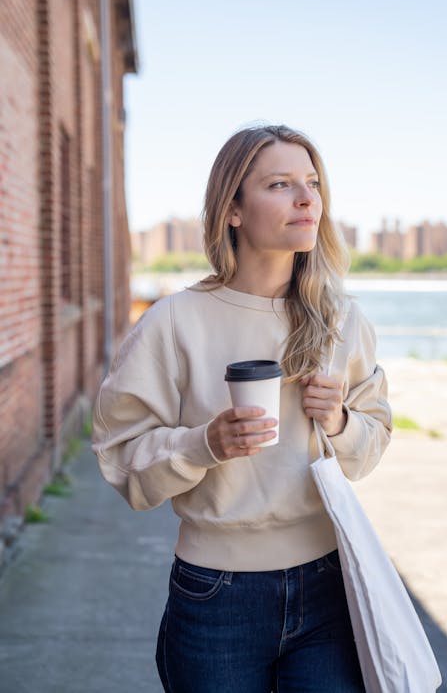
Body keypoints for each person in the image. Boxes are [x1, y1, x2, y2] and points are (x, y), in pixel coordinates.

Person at [92, 124, 392, 692]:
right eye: (281, 184)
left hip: (330, 583)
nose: (307, 199)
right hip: (216, 595)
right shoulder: (174, 321)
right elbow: (120, 458)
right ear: (232, 209)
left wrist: (340, 421)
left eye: (312, 183)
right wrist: (203, 444)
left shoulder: (342, 322)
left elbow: (372, 439)